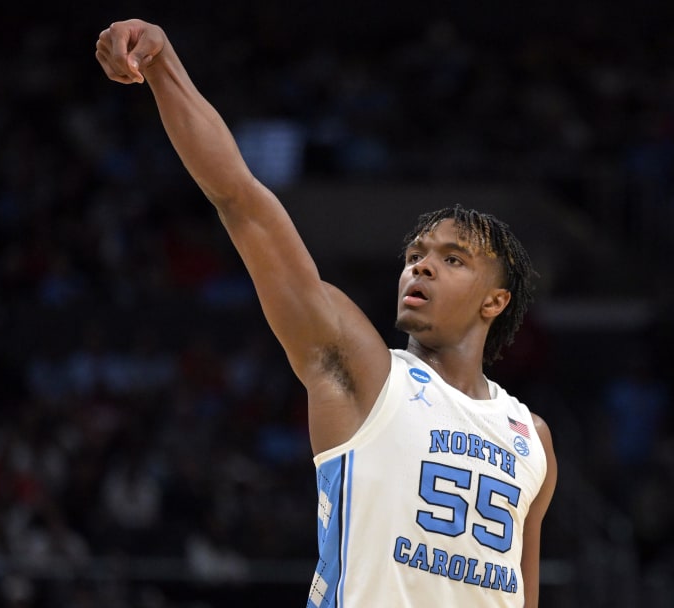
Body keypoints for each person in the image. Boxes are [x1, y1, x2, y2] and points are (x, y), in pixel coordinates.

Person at [94, 19, 557, 607]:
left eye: (453, 259)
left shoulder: (532, 440)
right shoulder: (364, 371)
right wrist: (164, 69)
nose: (421, 267)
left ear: (496, 301)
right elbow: (240, 200)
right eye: (414, 256)